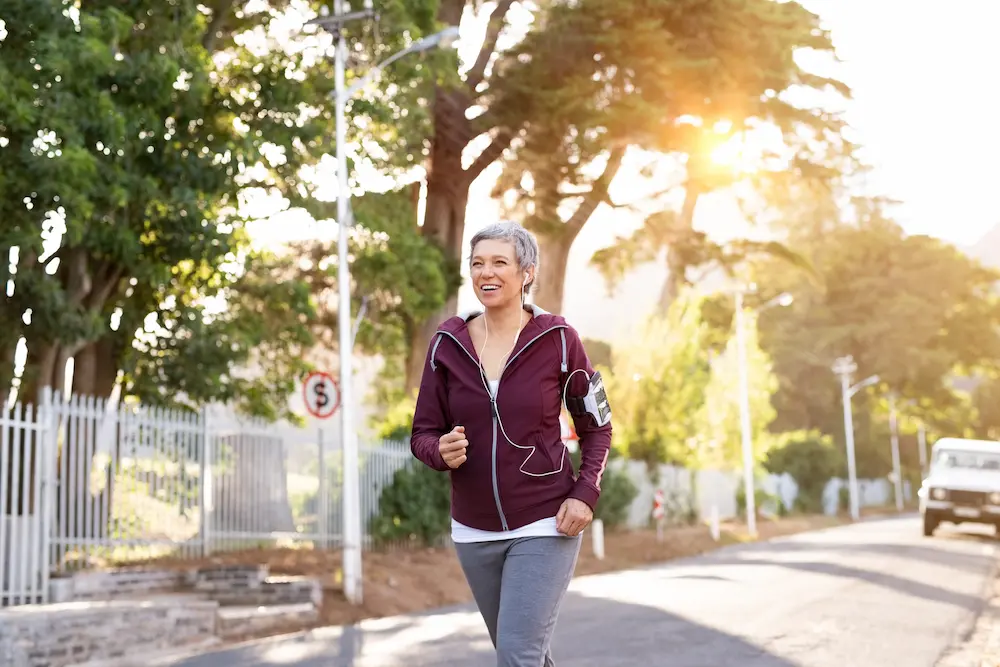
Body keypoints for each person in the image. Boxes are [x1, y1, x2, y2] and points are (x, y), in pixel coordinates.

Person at [410, 220, 613, 666]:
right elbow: (422, 433)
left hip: (545, 521)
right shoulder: (447, 343)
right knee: (524, 654)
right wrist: (439, 451)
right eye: (478, 263)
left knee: (518, 654)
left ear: (527, 272)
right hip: (473, 528)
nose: (488, 273)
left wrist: (585, 493)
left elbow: (597, 426)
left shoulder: (559, 340)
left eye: (501, 262)